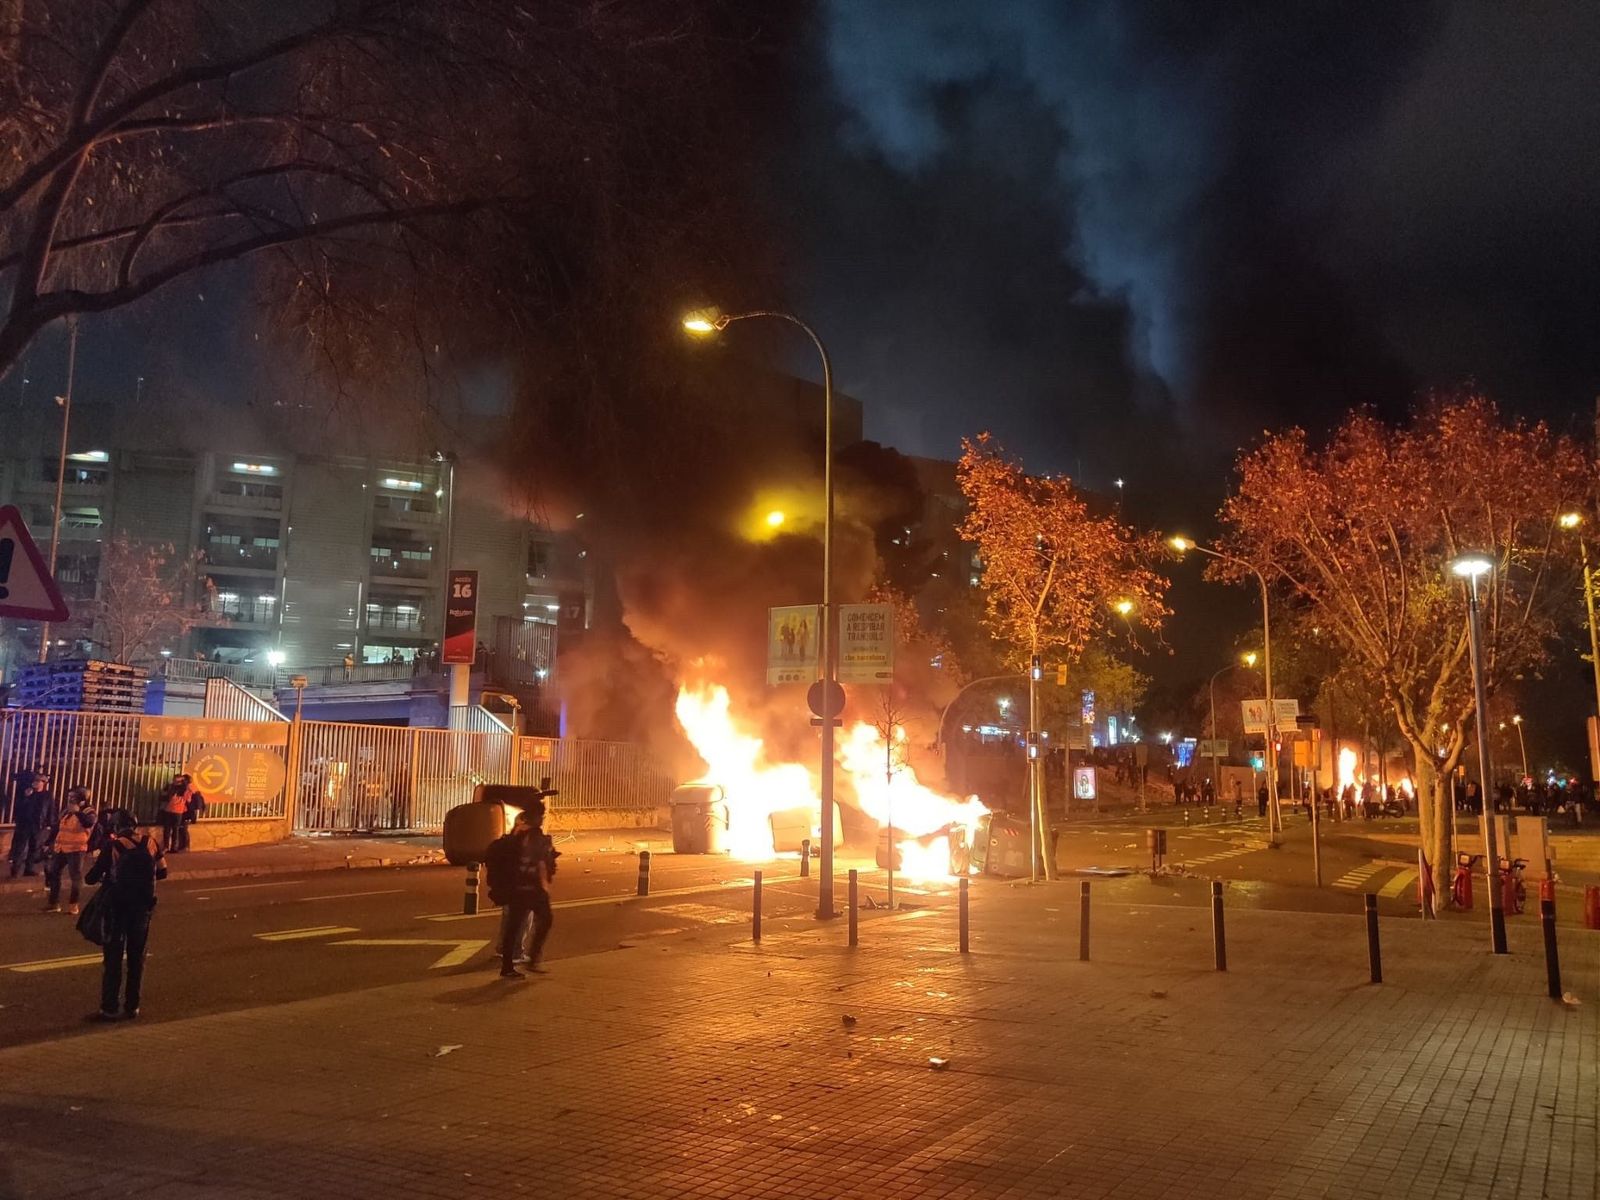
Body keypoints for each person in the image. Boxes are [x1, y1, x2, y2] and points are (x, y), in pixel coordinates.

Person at [85, 809, 166, 1020]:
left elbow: (90, 878)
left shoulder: (113, 846)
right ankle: (133, 1006)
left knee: (113, 959)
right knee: (137, 958)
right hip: (143, 908)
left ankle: (109, 1007)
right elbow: (163, 872)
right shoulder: (151, 843)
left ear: (115, 826)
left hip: (117, 907)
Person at [485, 805, 559, 979]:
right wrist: (545, 887)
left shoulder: (515, 834)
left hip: (516, 888)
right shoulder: (537, 837)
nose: (542, 819)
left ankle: (508, 966)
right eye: (542, 816)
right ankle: (531, 960)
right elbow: (541, 863)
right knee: (544, 920)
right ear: (537, 818)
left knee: (513, 927)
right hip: (531, 888)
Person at [44, 786, 95, 914]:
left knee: (75, 877)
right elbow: (57, 827)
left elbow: (89, 823)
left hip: (76, 849)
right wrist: (47, 842)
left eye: (73, 797)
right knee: (54, 873)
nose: (70, 799)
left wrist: (78, 812)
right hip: (61, 848)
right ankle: (54, 903)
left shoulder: (88, 811)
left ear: (82, 798)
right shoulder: (66, 811)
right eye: (69, 796)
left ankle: (74, 904)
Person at [8, 772, 53, 877]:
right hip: (24, 824)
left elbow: (50, 809)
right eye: (35, 781)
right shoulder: (27, 792)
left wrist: (50, 823)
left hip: (38, 825)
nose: (36, 783)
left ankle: (29, 869)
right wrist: (26, 797)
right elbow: (18, 807)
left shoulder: (47, 795)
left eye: (39, 781)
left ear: (43, 783)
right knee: (20, 847)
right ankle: (15, 870)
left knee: (35, 847)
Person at [159, 774, 197, 852]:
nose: (175, 782)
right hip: (173, 811)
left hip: (174, 811)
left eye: (176, 780)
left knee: (171, 829)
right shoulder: (176, 788)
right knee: (171, 829)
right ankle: (170, 847)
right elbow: (188, 800)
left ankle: (170, 847)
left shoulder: (181, 789)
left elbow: (188, 799)